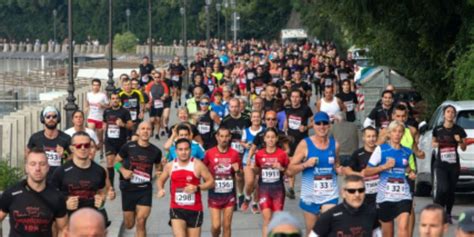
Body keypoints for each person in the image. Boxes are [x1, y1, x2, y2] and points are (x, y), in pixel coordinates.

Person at [287, 111, 341, 236]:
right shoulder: (305, 144)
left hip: (329, 195)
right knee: (312, 233)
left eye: (325, 123)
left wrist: (339, 169)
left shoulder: (335, 144)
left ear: (329, 125)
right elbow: (290, 170)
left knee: (329, 230)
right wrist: (305, 164)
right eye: (318, 123)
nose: (322, 126)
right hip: (309, 195)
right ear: (313, 125)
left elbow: (336, 164)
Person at [0, 148, 68, 237]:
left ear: (48, 168)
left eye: (42, 164)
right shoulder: (11, 193)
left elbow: (63, 230)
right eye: (33, 164)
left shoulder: (57, 197)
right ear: (26, 168)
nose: (37, 168)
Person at [363, 120, 413, 237]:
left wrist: (411, 173)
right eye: (394, 131)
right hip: (385, 197)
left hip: (403, 195)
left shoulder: (406, 151)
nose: (397, 134)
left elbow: (407, 168)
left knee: (403, 228)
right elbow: (366, 171)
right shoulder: (381, 149)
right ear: (389, 134)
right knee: (388, 234)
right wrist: (384, 166)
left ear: (402, 134)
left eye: (400, 132)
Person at [157, 138, 215, 237]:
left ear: (190, 150)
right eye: (180, 149)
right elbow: (160, 180)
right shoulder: (170, 166)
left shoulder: (198, 165)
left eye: (186, 149)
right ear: (176, 151)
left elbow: (211, 182)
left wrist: (197, 187)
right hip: (176, 208)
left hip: (195, 209)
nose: (184, 152)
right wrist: (161, 189)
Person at [114, 121, 162, 237]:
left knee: (141, 221)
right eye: (143, 129)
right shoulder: (128, 147)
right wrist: (123, 171)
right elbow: (115, 162)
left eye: (148, 129)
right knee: (129, 225)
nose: (145, 131)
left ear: (152, 132)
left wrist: (160, 186)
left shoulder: (156, 151)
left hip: (144, 190)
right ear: (138, 132)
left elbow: (159, 170)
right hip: (128, 189)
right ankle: (133, 212)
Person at [51, 132, 108, 223]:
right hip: (69, 221)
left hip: (91, 220)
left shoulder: (99, 170)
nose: (83, 148)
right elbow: (51, 196)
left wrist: (101, 200)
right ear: (72, 148)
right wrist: (64, 204)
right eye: (78, 145)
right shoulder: (61, 171)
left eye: (86, 145)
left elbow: (102, 191)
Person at [311, 175, 379, 237]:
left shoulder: (371, 212)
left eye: (361, 190)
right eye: (351, 191)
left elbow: (378, 234)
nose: (357, 194)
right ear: (343, 193)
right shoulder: (329, 216)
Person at [203, 127, 241, 237]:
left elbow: (239, 177)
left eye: (226, 136)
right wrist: (207, 182)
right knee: (216, 226)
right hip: (214, 194)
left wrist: (238, 170)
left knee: (227, 225)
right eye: (221, 136)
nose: (223, 139)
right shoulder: (209, 153)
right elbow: (203, 170)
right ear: (217, 137)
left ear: (229, 137)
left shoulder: (235, 154)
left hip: (229, 194)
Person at [432, 105, 467, 223]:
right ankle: (439, 210)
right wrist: (437, 144)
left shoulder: (459, 130)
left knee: (451, 190)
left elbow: (463, 148)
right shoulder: (437, 129)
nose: (450, 114)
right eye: (448, 111)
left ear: (455, 115)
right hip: (441, 164)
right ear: (444, 114)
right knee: (443, 188)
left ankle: (448, 214)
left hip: (454, 165)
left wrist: (460, 140)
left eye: (452, 112)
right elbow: (433, 143)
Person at [252, 128, 290, 237]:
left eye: (273, 137)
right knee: (267, 218)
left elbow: (289, 173)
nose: (270, 140)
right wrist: (253, 169)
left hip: (278, 190)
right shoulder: (259, 154)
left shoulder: (282, 154)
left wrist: (281, 168)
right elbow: (257, 170)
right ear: (264, 139)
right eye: (268, 137)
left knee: (277, 219)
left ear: (277, 138)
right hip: (264, 190)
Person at [26, 106, 71, 180]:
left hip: (60, 178)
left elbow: (74, 158)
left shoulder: (66, 138)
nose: (51, 119)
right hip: (41, 178)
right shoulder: (35, 138)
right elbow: (27, 154)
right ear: (43, 119)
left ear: (58, 119)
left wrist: (64, 155)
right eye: (48, 116)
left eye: (54, 116)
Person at [221, 98, 251, 207]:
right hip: (230, 151)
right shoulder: (225, 120)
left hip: (244, 151)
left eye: (236, 106)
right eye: (232, 107)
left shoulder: (246, 119)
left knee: (240, 176)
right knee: (231, 175)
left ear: (240, 107)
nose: (234, 109)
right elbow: (221, 136)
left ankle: (240, 193)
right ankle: (233, 198)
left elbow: (250, 133)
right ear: (229, 107)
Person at [284, 89, 313, 199]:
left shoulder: (306, 109)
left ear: (300, 98)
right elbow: (287, 120)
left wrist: (306, 127)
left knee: (306, 165)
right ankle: (291, 189)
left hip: (303, 141)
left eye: (297, 97)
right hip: (291, 140)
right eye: (293, 97)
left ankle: (309, 187)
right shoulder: (287, 109)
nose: (295, 99)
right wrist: (284, 129)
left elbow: (313, 121)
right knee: (292, 164)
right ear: (290, 98)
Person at [103, 92, 133, 187]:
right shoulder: (106, 111)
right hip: (109, 141)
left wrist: (123, 124)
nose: (115, 100)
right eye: (113, 98)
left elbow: (131, 126)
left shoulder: (125, 112)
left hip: (121, 141)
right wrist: (104, 131)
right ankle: (111, 186)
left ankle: (121, 178)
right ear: (110, 100)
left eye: (116, 98)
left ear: (119, 100)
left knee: (119, 163)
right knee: (110, 161)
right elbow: (104, 123)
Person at [343, 127, 378, 206]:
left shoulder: (382, 151)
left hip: (380, 194)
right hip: (364, 193)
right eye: (368, 136)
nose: (371, 139)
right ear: (363, 138)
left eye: (373, 136)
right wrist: (360, 175)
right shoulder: (358, 153)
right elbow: (347, 170)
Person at [84, 78, 109, 156]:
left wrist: (102, 106)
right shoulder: (89, 94)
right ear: (92, 86)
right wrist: (85, 109)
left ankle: (101, 152)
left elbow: (108, 106)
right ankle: (89, 152)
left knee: (100, 138)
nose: (95, 87)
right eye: (94, 85)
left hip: (100, 118)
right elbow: (86, 103)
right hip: (91, 118)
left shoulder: (103, 95)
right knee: (90, 134)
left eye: (97, 85)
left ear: (100, 86)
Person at [146, 70, 170, 139]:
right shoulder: (150, 84)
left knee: (158, 119)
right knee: (152, 120)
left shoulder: (163, 84)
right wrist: (147, 102)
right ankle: (152, 128)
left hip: (159, 104)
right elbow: (146, 93)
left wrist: (164, 96)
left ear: (160, 77)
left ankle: (157, 134)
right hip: (152, 104)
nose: (157, 78)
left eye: (158, 77)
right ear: (153, 77)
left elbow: (167, 93)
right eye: (155, 77)